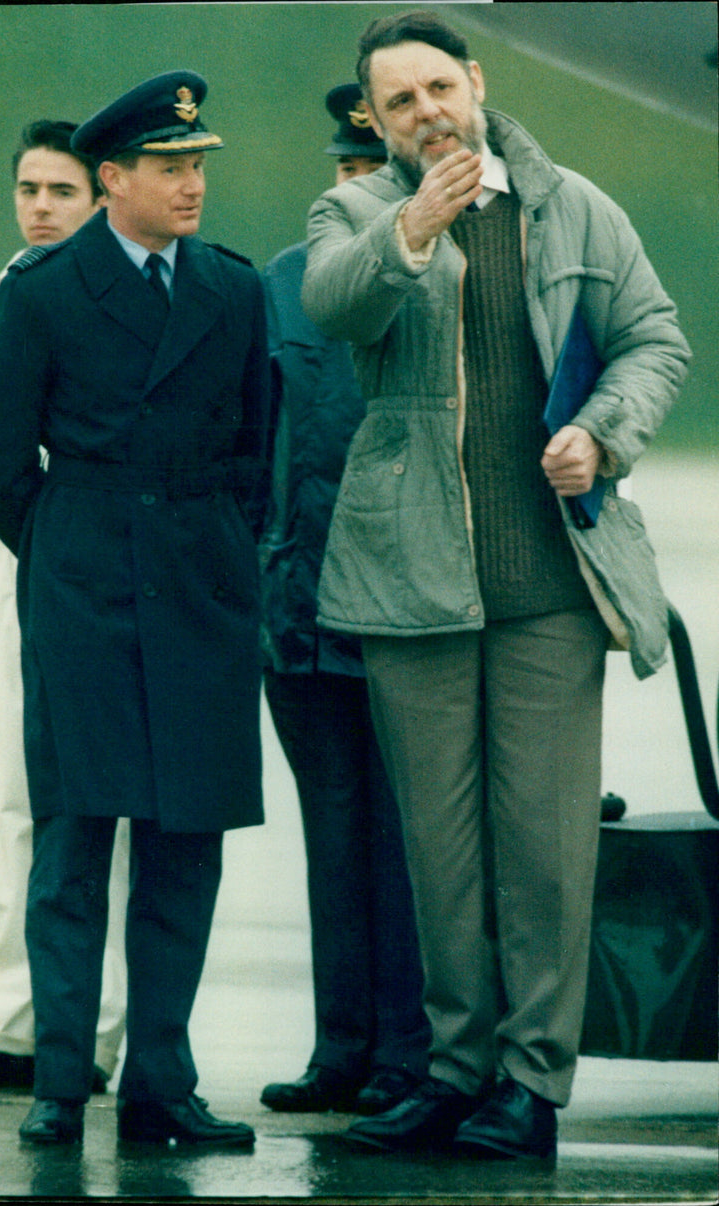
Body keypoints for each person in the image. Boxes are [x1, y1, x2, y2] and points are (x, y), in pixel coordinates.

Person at [302, 11, 690, 1160]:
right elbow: (333, 306)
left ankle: (528, 1083)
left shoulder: (574, 207)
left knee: (544, 847)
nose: (424, 112)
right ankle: (453, 1072)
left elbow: (653, 339)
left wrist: (601, 432)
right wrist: (413, 228)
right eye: (399, 102)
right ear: (376, 121)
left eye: (437, 87)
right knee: (440, 848)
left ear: (472, 81)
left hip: (550, 583)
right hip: (409, 575)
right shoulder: (353, 214)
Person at [0, 71, 271, 1147]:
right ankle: (58, 1081)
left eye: (197, 166)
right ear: (113, 179)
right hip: (85, 590)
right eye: (170, 167)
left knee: (186, 845)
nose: (192, 185)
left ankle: (161, 1085)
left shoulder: (232, 289)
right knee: (74, 840)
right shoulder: (45, 293)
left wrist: (221, 551)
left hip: (200, 591)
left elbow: (257, 448)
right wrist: (66, 549)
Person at [0, 120, 127, 1093]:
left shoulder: (127, 303)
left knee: (93, 807)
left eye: (62, 191)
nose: (41, 207)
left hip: (94, 584)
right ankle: (8, 1023)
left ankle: (90, 1030)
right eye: (28, 189)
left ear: (101, 197)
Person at [258, 84, 430, 1118]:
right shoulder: (281, 284)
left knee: (408, 843)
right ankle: (341, 1049)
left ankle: (410, 1054)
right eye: (346, 171)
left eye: (374, 173)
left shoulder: (438, 274)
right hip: (300, 611)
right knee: (332, 838)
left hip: (406, 609)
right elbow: (249, 445)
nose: (356, 187)